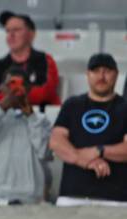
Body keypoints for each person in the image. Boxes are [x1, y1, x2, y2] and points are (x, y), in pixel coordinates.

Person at [49, 53, 127, 205]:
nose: (101, 76)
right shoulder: (72, 105)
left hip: (116, 199)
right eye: (96, 71)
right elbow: (56, 141)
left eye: (107, 71)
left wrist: (99, 150)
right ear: (87, 74)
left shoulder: (125, 107)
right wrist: (83, 160)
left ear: (116, 75)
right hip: (72, 197)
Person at [0, 67, 52, 204]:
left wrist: (31, 117)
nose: (16, 89)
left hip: (28, 198)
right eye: (11, 84)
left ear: (29, 88)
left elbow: (45, 153)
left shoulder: (41, 119)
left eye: (22, 84)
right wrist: (2, 108)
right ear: (2, 88)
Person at [0, 11, 60, 107]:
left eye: (16, 30)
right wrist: (21, 92)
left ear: (31, 34)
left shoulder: (45, 60)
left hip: (39, 117)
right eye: (7, 31)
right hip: (3, 118)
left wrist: (7, 93)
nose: (11, 35)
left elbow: (44, 93)